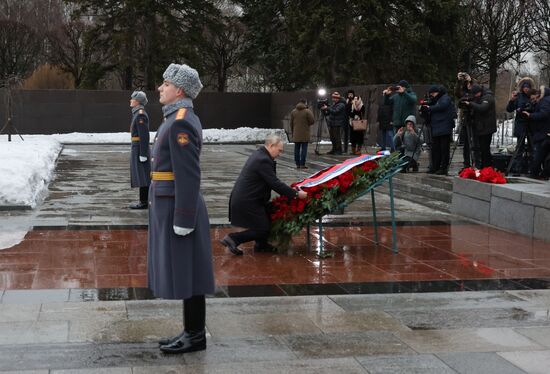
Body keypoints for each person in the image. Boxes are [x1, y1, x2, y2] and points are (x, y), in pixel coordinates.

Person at [147, 63, 215, 354]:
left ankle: (196, 335)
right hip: (169, 202)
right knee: (188, 270)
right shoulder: (174, 119)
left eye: (165, 84)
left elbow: (188, 174)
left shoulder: (180, 122)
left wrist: (184, 216)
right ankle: (191, 331)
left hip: (178, 205)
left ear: (180, 90)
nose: (159, 88)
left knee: (191, 271)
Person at [221, 134, 308, 255]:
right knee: (262, 229)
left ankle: (261, 245)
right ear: (271, 146)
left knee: (268, 216)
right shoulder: (263, 160)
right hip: (247, 201)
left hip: (252, 199)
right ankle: (233, 239)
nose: (280, 154)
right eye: (279, 150)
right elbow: (275, 183)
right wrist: (296, 194)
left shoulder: (261, 155)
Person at [460, 84, 497, 168]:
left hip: (487, 127)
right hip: (480, 126)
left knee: (484, 148)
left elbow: (482, 108)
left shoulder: (488, 97)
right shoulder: (478, 97)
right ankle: (481, 165)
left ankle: (487, 166)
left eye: (475, 94)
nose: (474, 96)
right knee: (479, 148)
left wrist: (470, 104)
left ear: (479, 92)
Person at [423, 85, 456, 175]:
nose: (432, 95)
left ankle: (443, 167)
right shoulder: (435, 100)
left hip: (444, 128)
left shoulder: (445, 98)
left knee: (444, 149)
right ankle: (435, 166)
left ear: (438, 92)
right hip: (436, 127)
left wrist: (430, 108)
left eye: (433, 93)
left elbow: (442, 106)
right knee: (436, 149)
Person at [506, 77, 536, 175]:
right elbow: (509, 109)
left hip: (531, 124)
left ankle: (533, 169)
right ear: (522, 88)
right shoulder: (518, 96)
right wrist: (511, 100)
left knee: (533, 148)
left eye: (528, 87)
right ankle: (517, 169)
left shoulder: (534, 96)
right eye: (524, 87)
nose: (526, 89)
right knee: (519, 148)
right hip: (521, 124)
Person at [128, 90, 151, 209]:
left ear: (138, 101)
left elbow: (144, 135)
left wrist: (143, 153)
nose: (130, 100)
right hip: (137, 147)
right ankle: (144, 201)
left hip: (139, 149)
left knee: (143, 176)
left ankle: (144, 202)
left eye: (132, 99)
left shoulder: (140, 114)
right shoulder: (137, 113)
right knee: (142, 175)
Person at [522, 86, 550, 178]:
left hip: (543, 131)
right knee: (544, 155)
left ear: (538, 95)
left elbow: (544, 114)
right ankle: (543, 173)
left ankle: (535, 173)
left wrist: (530, 115)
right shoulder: (546, 100)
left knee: (539, 153)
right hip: (544, 131)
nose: (533, 101)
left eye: (533, 99)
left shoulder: (544, 101)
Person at [455, 72, 476, 169]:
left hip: (475, 119)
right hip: (465, 118)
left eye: (469, 84)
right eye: (466, 84)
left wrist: (470, 79)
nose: (468, 86)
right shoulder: (463, 90)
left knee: (475, 142)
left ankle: (476, 162)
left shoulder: (475, 91)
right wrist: (459, 81)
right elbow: (457, 93)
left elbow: (476, 89)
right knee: (466, 143)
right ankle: (466, 163)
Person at [289, 98, 315, 168]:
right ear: (305, 103)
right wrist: (307, 124)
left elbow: (291, 123)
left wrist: (293, 132)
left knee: (296, 148)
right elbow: (312, 120)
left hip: (296, 133)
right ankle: (302, 164)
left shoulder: (293, 111)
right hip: (305, 133)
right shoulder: (307, 111)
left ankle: (297, 164)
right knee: (304, 148)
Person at [343, 89, 355, 153]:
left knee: (353, 135)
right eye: (349, 94)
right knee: (345, 135)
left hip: (353, 119)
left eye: (351, 94)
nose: (350, 96)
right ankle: (345, 149)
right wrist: (347, 103)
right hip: (346, 119)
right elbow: (345, 109)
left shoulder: (355, 100)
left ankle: (354, 149)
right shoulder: (346, 101)